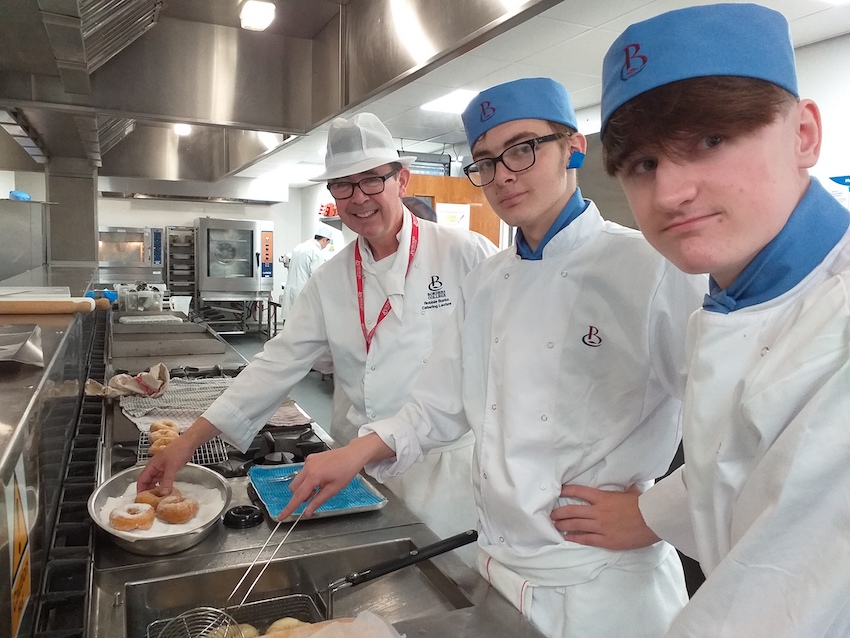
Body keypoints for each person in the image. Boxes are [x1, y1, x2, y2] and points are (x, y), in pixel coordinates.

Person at [279, 77, 706, 638]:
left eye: (523, 149)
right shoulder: (488, 281)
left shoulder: (651, 270)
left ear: (572, 145)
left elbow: (741, 431)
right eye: (484, 161)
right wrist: (355, 454)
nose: (503, 174)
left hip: (600, 586)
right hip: (497, 572)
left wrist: (657, 513)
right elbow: (436, 404)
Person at [554, 4, 850, 636]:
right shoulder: (735, 299)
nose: (669, 194)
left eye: (711, 141)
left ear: (803, 134)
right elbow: (744, 464)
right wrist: (655, 512)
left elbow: (775, 609)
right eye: (643, 165)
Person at [138, 113, 498, 560]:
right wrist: (186, 443)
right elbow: (275, 365)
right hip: (357, 465)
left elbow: (501, 369)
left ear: (400, 180)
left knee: (445, 580)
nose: (358, 198)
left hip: (444, 468)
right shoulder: (331, 278)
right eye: (342, 186)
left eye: (370, 181)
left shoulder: (467, 254)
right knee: (374, 575)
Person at [280, 226, 332, 320]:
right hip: (302, 292)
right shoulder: (316, 252)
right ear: (324, 240)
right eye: (327, 243)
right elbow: (317, 276)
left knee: (291, 322)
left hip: (291, 289)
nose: (326, 246)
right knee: (301, 322)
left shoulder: (300, 247)